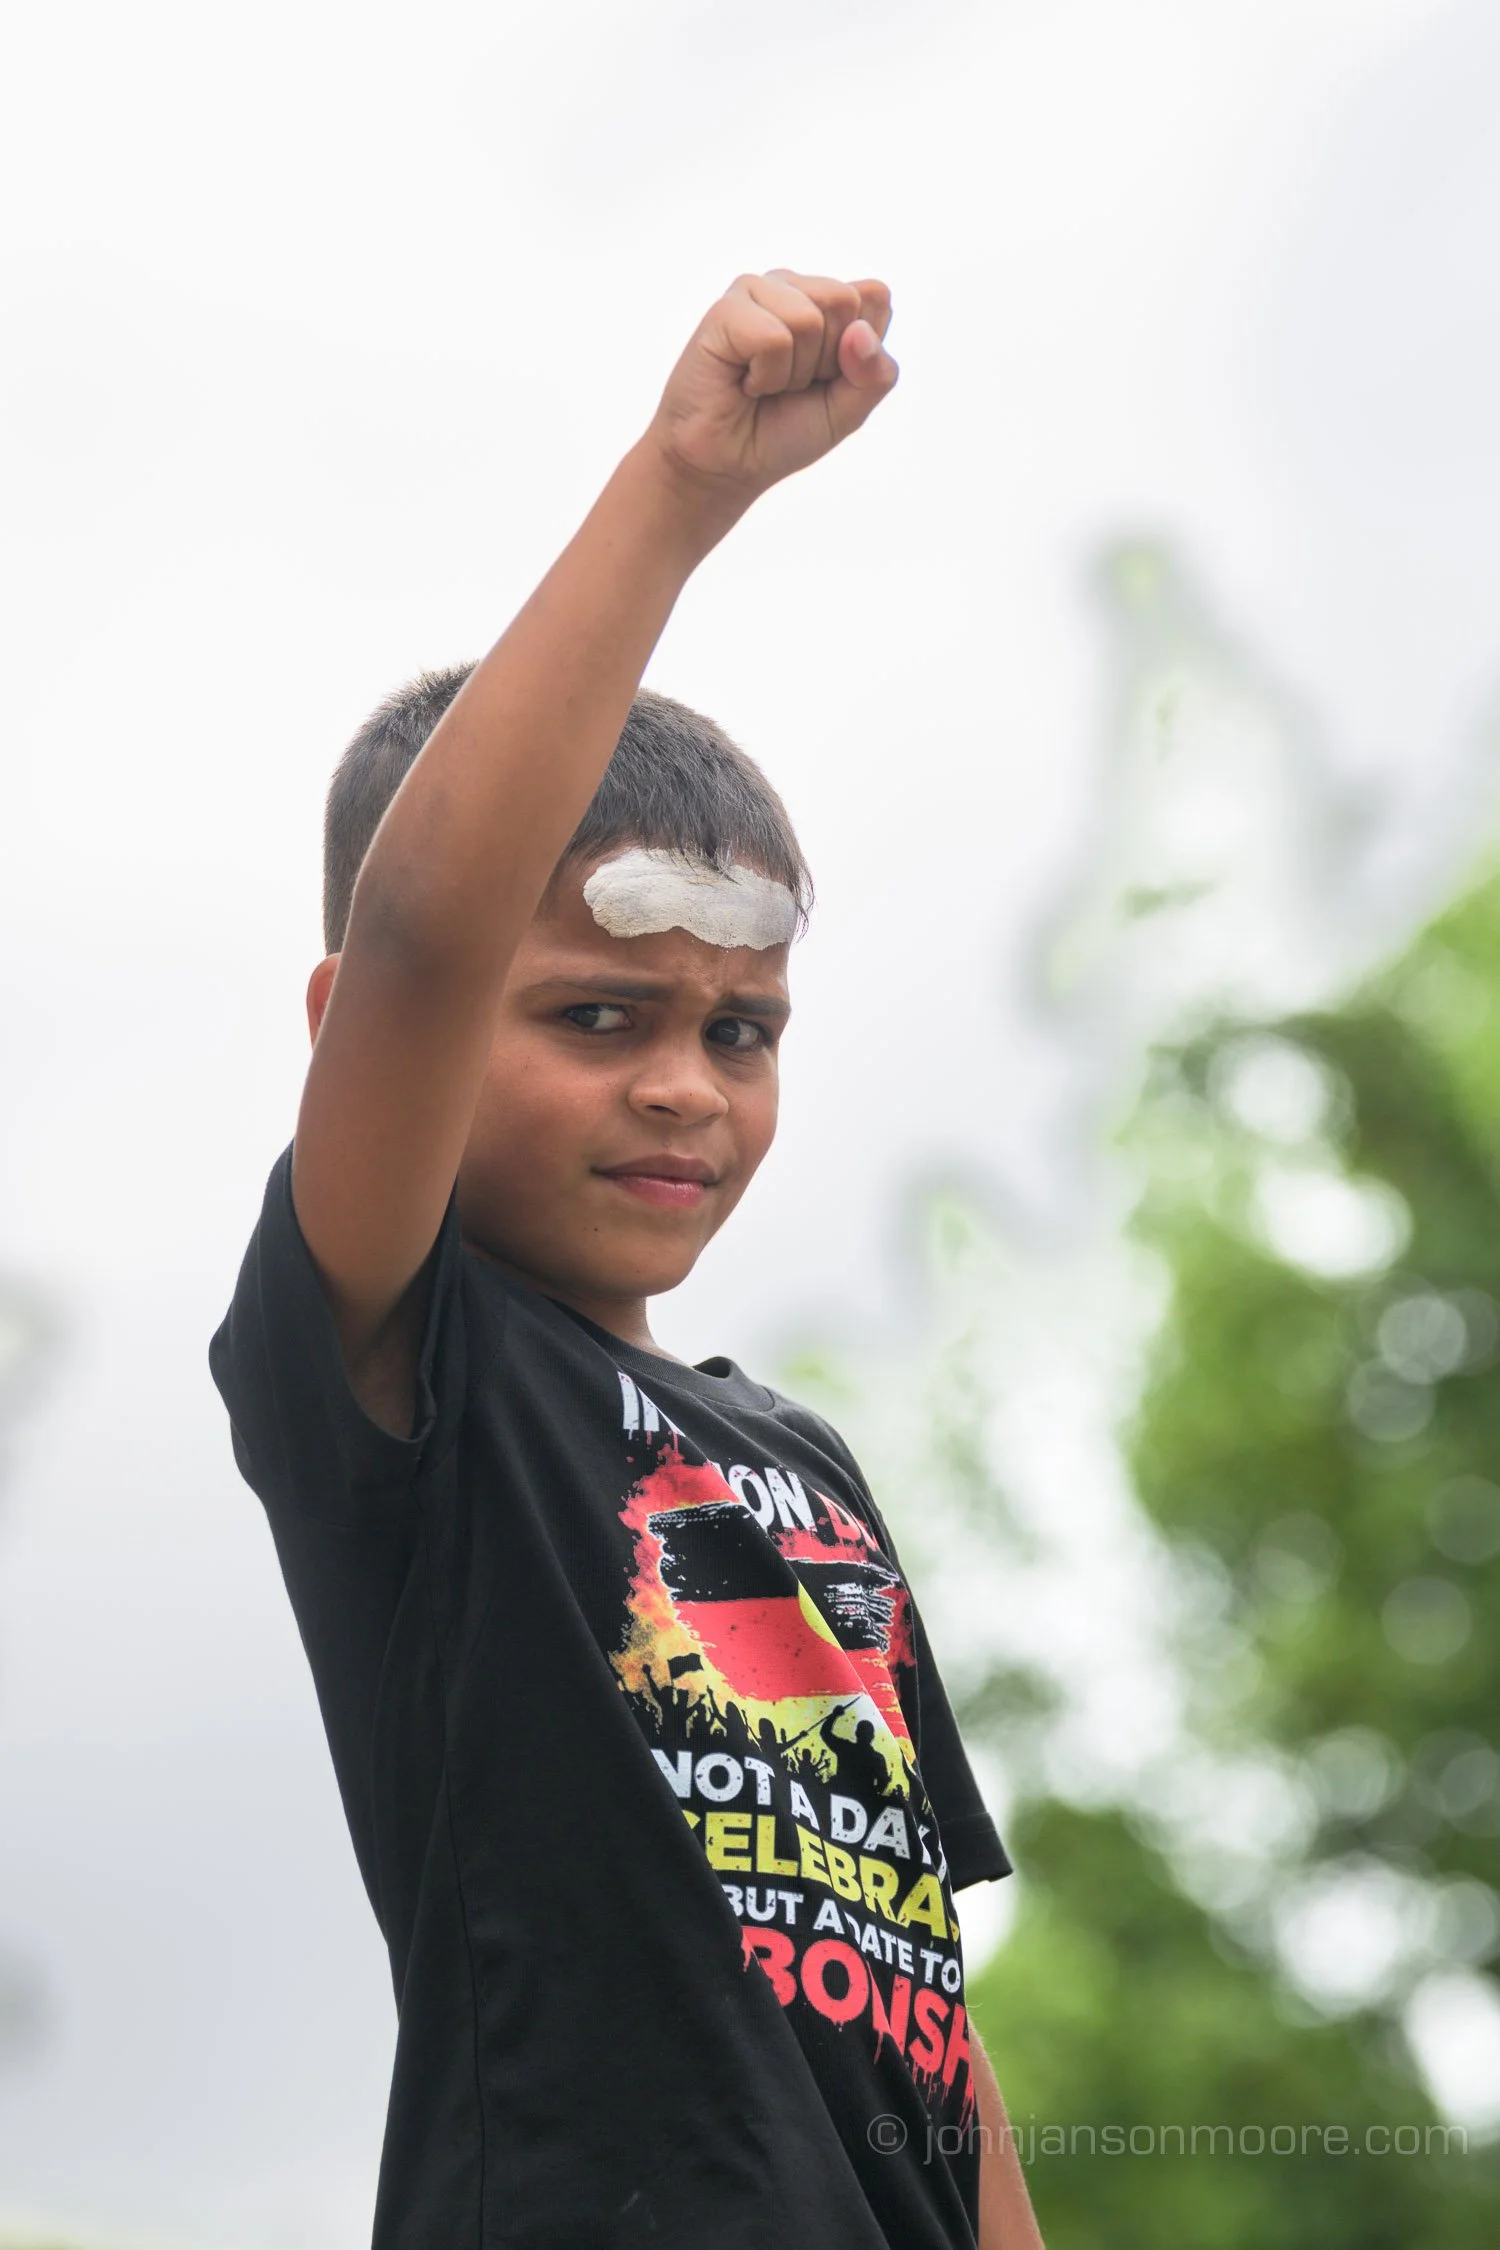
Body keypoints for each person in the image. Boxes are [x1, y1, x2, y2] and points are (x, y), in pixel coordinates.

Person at [210, 268, 1044, 2250]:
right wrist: (682, 494)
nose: (684, 1084)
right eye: (597, 1016)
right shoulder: (409, 1366)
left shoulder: (808, 1475)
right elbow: (429, 930)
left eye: (739, 1031)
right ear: (358, 1033)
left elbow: (928, 2009)